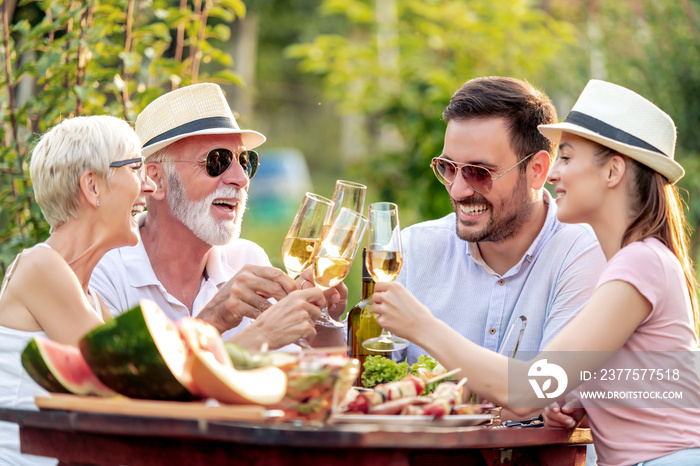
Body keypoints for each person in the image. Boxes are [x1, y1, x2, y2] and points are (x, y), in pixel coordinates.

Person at [372, 79, 700, 465]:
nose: (554, 174)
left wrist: (421, 325)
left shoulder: (638, 263)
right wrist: (579, 400)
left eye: (567, 158)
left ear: (613, 172)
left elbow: (529, 389)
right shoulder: (634, 261)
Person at [90, 83, 346, 350]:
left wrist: (324, 323)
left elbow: (305, 378)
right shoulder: (105, 271)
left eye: (245, 161)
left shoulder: (248, 260)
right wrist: (214, 318)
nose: (241, 178)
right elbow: (122, 387)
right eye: (217, 161)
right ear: (156, 180)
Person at [396, 76, 606, 365]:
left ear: (537, 170)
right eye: (447, 168)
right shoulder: (414, 248)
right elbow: (365, 377)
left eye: (479, 172)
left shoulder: (581, 252)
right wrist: (325, 324)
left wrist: (425, 329)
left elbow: (548, 388)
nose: (458, 190)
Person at [0, 115, 156, 465]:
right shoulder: (39, 266)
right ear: (93, 187)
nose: (149, 186)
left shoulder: (91, 299)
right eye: (135, 169)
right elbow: (127, 382)